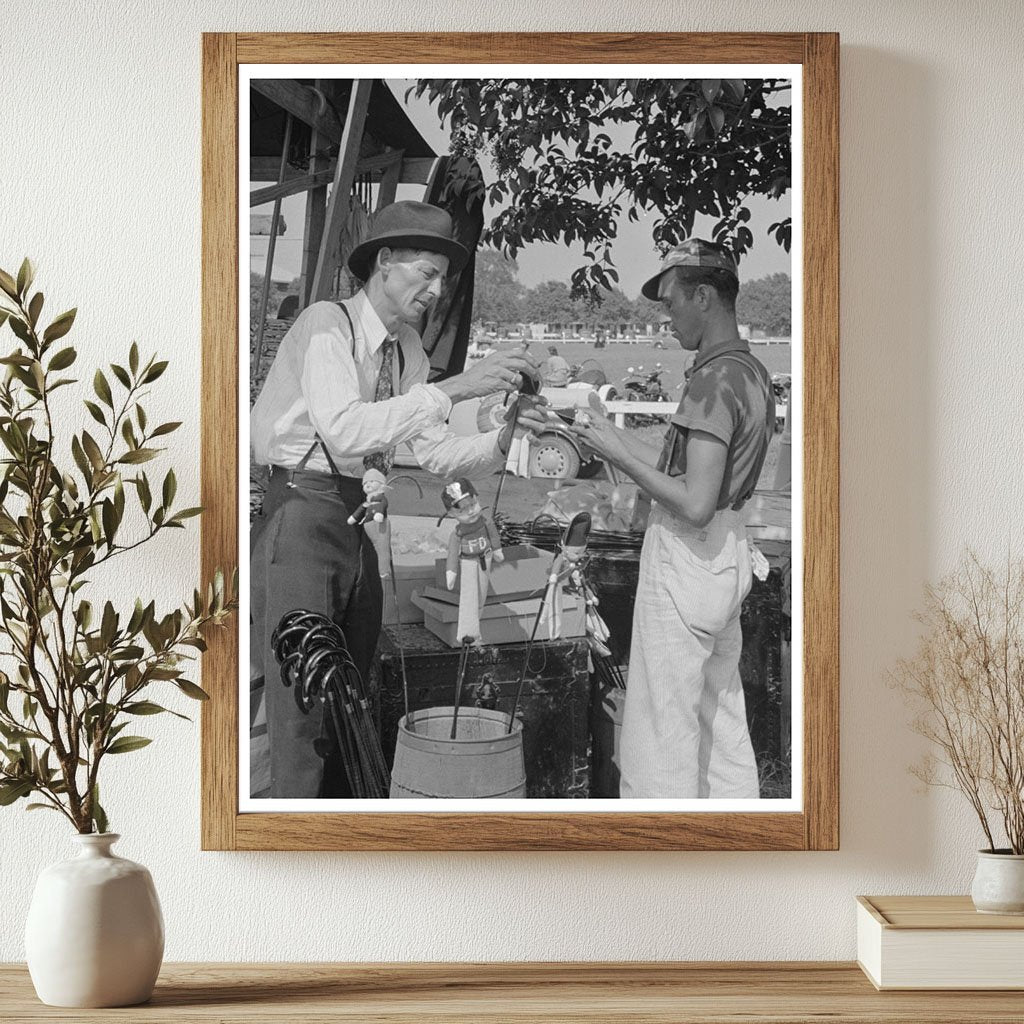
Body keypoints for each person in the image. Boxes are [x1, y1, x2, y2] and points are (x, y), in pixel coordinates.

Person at [250, 200, 546, 798]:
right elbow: (346, 429)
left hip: (356, 522)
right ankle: (290, 839)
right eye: (426, 274)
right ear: (384, 262)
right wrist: (457, 387)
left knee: (349, 690)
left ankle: (338, 822)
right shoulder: (325, 326)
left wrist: (507, 433)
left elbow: (435, 452)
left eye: (442, 279)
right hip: (300, 515)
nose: (436, 291)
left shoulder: (407, 347)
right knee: (300, 700)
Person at [570, 239, 774, 799]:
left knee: (660, 740)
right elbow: (697, 475)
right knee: (719, 729)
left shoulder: (712, 380)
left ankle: (660, 867)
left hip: (689, 555)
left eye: (672, 303)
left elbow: (693, 500)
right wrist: (609, 434)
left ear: (703, 296)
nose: (667, 318)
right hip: (726, 555)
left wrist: (614, 456)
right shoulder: (749, 371)